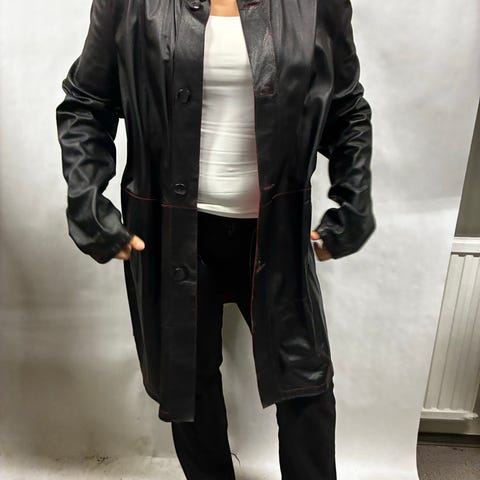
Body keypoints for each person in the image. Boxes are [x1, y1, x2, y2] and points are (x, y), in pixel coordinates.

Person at [56, 0, 375, 478]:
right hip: (170, 229)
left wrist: (354, 201)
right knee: (189, 384)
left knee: (305, 383)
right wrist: (87, 201)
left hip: (275, 231)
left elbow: (346, 108)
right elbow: (86, 103)